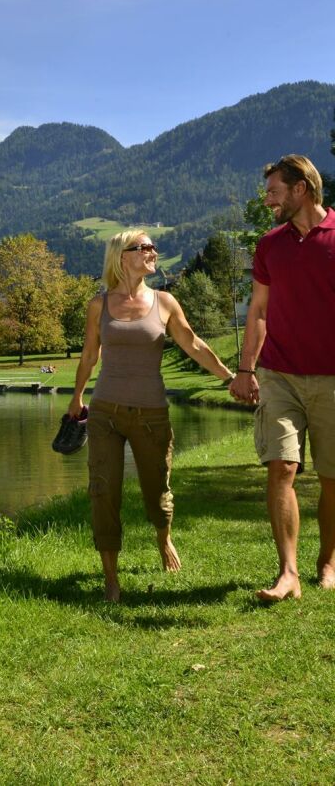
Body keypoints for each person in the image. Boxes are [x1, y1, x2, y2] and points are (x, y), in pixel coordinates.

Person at [68, 230, 234, 602]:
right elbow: (89, 356)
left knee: (157, 493)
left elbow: (192, 343)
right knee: (103, 491)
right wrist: (77, 396)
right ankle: (111, 579)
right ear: (122, 256)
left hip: (151, 413)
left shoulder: (165, 302)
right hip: (105, 412)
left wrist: (230, 376)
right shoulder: (99, 305)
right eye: (143, 247)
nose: (152, 251)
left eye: (152, 247)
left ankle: (164, 538)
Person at [229, 154, 335, 602]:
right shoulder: (269, 245)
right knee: (282, 467)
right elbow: (257, 311)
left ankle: (328, 562)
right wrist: (246, 368)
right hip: (279, 374)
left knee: (332, 478)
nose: (268, 199)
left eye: (274, 190)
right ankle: (288, 572)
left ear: (301, 189)